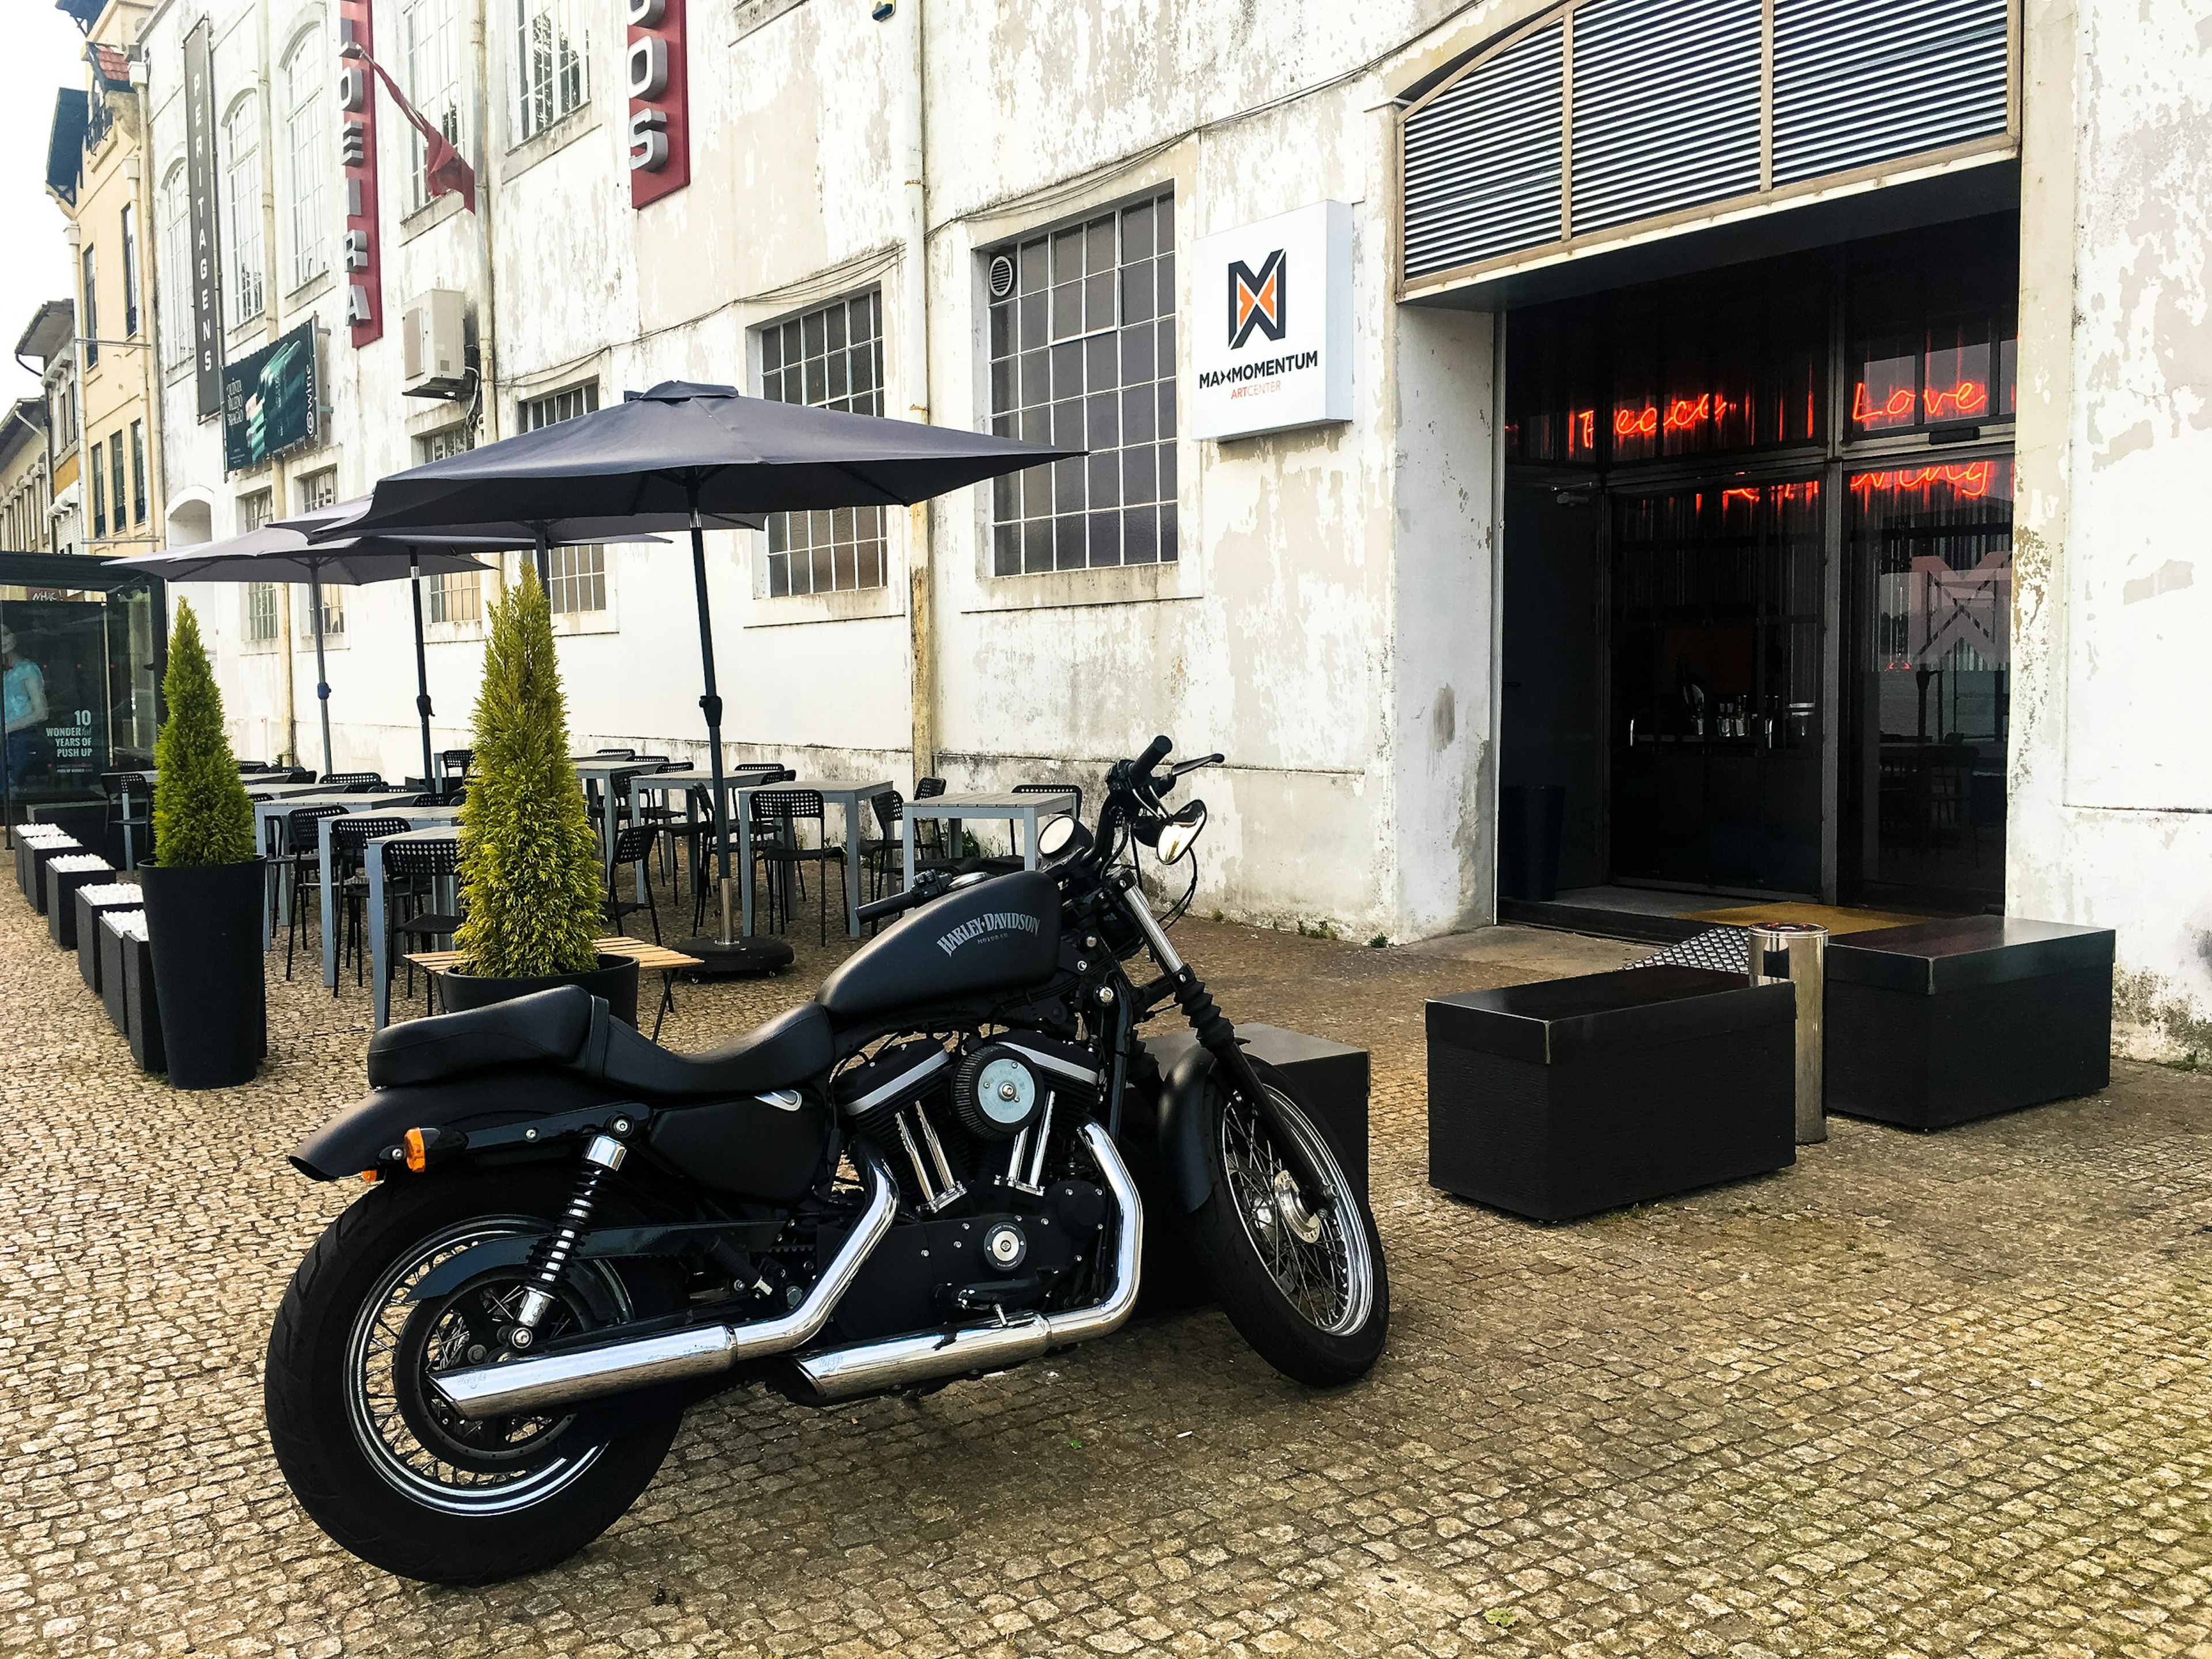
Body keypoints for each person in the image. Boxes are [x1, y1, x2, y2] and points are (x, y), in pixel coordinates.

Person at [2, 624, 50, 794]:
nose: (2, 640)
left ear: (15, 636)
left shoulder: (27, 669)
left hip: (18, 741)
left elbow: (41, 712)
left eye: (5, 634)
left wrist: (6, 728)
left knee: (8, 789)